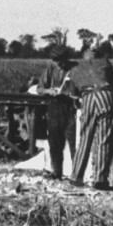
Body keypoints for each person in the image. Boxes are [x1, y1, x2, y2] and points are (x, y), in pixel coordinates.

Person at [68, 49, 113, 190]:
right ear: (96, 57)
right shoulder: (105, 62)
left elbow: (73, 97)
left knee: (85, 138)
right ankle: (100, 180)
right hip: (105, 96)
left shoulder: (75, 69)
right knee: (104, 139)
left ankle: (76, 177)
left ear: (84, 58)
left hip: (88, 97)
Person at [36, 45, 80, 179]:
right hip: (55, 106)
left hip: (71, 107)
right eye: (56, 61)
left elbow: (82, 87)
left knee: (74, 140)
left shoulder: (75, 68)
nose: (59, 64)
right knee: (55, 141)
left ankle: (76, 173)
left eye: (61, 61)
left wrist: (74, 93)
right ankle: (56, 171)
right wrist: (49, 91)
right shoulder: (51, 67)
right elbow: (40, 88)